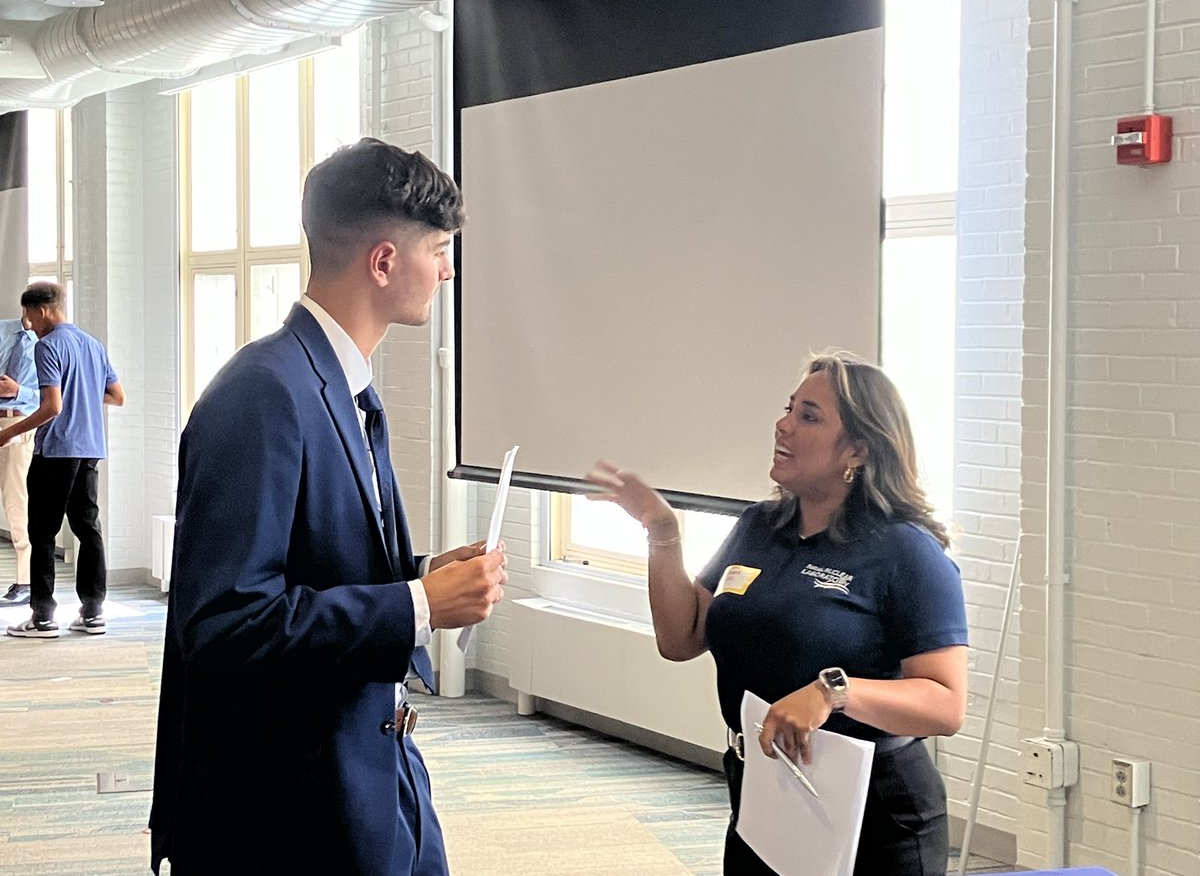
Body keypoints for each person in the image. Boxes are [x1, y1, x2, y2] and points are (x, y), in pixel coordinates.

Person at [149, 138, 508, 876]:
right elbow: (222, 625)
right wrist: (416, 605)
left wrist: (420, 573)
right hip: (290, 811)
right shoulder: (263, 395)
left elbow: (311, 561)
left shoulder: (341, 386)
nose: (447, 269)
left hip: (373, 774)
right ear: (383, 262)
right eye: (438, 249)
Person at [586, 351, 968, 876]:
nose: (783, 425)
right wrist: (663, 532)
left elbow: (946, 704)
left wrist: (833, 691)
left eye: (809, 416)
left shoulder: (906, 552)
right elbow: (681, 637)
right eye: (789, 409)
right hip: (764, 785)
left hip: (873, 809)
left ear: (857, 448)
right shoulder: (760, 527)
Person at [2, 283, 125, 639]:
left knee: (42, 533)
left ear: (41, 310)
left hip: (56, 450)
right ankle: (92, 613)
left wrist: (8, 433)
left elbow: (52, 407)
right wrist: (82, 394)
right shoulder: (93, 344)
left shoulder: (48, 346)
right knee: (89, 530)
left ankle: (42, 618)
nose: (28, 323)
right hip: (89, 449)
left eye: (29, 315)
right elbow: (117, 396)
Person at [0, 316, 39, 607]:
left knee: (17, 502)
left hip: (21, 424)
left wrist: (18, 391)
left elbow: (55, 396)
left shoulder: (49, 346)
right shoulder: (3, 331)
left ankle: (26, 580)